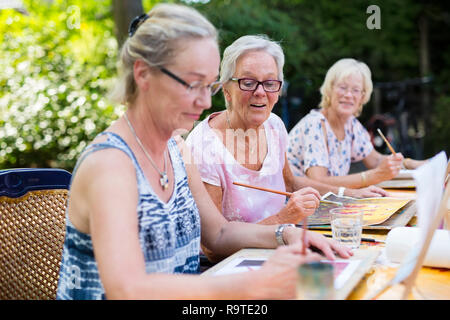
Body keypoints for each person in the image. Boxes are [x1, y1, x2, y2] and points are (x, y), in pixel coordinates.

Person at [56, 4, 349, 300]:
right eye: (192, 84)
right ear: (143, 74)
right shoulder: (109, 165)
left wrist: (286, 233)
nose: (205, 103)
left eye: (207, 86)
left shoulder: (176, 148)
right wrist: (254, 284)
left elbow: (218, 234)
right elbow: (128, 289)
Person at [185, 35, 379, 260]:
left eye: (269, 83)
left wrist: (353, 195)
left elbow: (292, 182)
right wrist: (283, 221)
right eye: (248, 82)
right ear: (227, 88)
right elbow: (212, 250)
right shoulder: (203, 147)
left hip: (283, 249)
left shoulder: (274, 125)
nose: (260, 92)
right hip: (234, 267)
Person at [287, 58, 425, 189]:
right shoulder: (315, 124)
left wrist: (411, 163)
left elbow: (375, 161)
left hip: (322, 203)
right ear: (329, 90)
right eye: (342, 87)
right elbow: (318, 182)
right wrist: (372, 176)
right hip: (294, 206)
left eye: (356, 90)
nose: (348, 95)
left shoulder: (351, 124)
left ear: (362, 97)